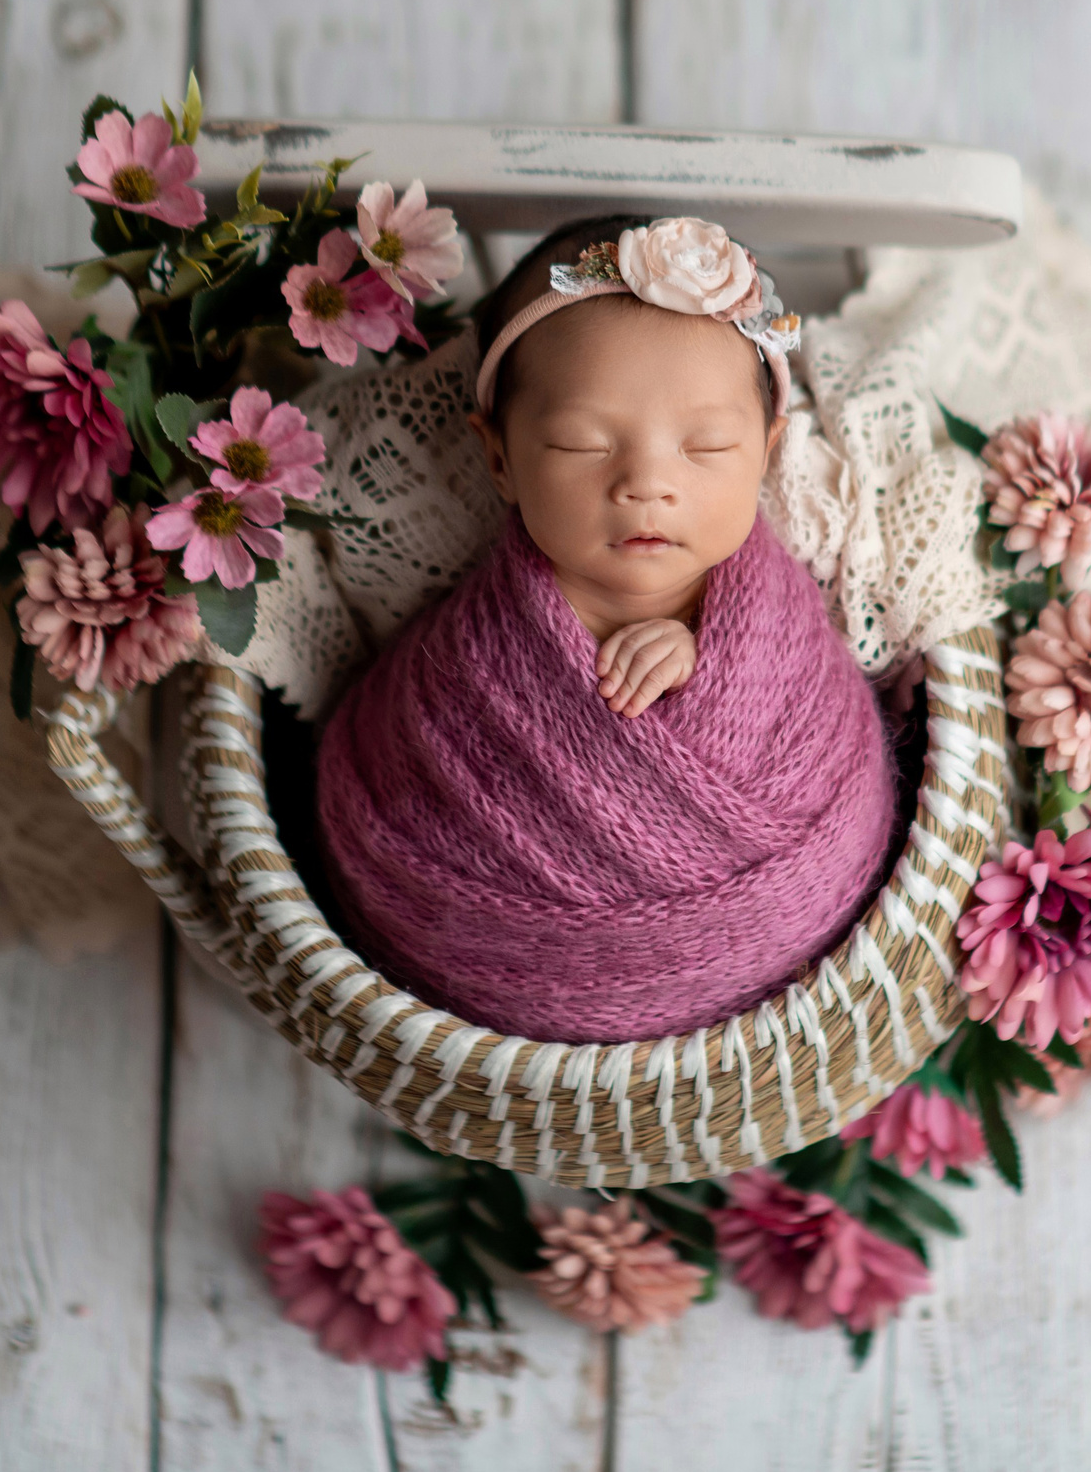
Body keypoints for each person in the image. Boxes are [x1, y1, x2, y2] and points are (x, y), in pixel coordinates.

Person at [315, 216, 900, 1045]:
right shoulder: (468, 651)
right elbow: (393, 771)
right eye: (582, 444)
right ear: (500, 460)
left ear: (767, 452)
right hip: (492, 979)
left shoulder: (780, 620)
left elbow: (828, 729)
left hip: (786, 975)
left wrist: (707, 655)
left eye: (706, 446)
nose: (646, 483)